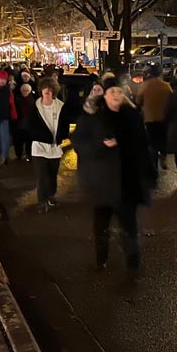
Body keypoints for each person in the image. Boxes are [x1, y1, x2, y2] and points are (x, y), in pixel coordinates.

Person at [72, 83, 154, 270]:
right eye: (112, 92)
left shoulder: (132, 116)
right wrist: (101, 145)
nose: (116, 95)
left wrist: (148, 172)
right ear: (105, 96)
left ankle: (133, 262)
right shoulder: (93, 117)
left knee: (129, 226)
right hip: (102, 182)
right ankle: (101, 258)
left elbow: (143, 146)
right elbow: (79, 143)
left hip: (127, 182)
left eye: (119, 91)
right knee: (101, 225)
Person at [26, 78, 73, 211]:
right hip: (39, 147)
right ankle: (42, 202)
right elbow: (30, 126)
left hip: (55, 148)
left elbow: (65, 124)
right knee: (42, 177)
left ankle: (51, 196)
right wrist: (40, 136)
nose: (47, 91)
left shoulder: (60, 106)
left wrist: (60, 137)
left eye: (50, 89)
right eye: (45, 88)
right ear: (41, 90)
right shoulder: (35, 107)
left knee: (52, 176)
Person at [137, 66, 174, 171]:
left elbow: (138, 100)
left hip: (150, 118)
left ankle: (154, 164)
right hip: (163, 118)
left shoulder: (144, 86)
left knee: (152, 142)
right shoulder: (166, 86)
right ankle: (163, 157)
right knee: (163, 140)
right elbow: (172, 100)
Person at [13, 82, 37, 161]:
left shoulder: (33, 100)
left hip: (29, 125)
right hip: (19, 124)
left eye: (27, 90)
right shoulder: (17, 99)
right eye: (23, 90)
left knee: (29, 141)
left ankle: (28, 155)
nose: (25, 92)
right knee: (18, 141)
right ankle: (19, 155)